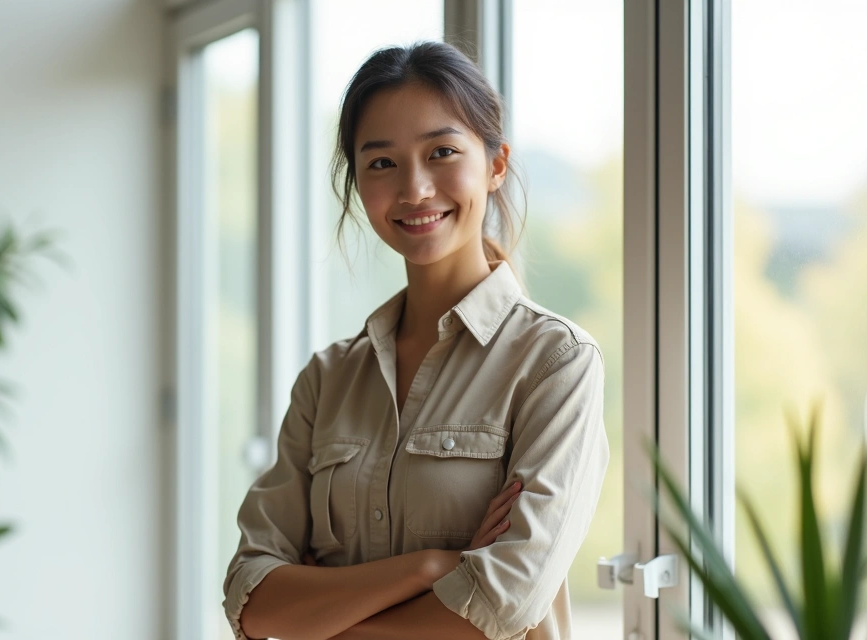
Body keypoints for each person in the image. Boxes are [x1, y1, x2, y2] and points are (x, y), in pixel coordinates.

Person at [222, 40, 609, 640]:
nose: (415, 189)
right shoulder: (327, 380)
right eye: (382, 163)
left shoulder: (555, 363)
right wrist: (430, 567)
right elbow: (250, 596)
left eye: (442, 152)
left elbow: (502, 607)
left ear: (496, 165)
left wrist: (321, 617)